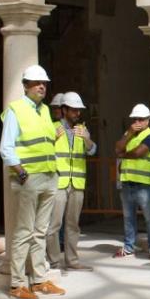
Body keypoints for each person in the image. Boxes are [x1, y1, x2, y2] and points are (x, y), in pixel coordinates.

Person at [0, 64, 66, 299]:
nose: (41, 87)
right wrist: (21, 172)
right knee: (24, 231)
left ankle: (38, 280)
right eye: (37, 83)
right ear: (25, 86)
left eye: (44, 83)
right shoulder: (16, 110)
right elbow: (6, 148)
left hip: (48, 176)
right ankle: (17, 283)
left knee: (40, 231)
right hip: (28, 178)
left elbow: (43, 142)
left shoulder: (45, 111)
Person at [47, 91, 95, 271]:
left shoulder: (82, 130)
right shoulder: (53, 128)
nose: (77, 114)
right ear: (64, 110)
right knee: (54, 225)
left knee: (73, 225)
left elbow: (92, 150)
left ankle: (72, 261)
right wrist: (53, 138)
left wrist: (87, 139)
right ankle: (53, 262)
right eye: (74, 110)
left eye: (79, 111)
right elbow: (43, 151)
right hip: (58, 183)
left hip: (77, 184)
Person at [114, 103, 150, 259]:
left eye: (141, 119)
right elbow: (117, 148)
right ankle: (129, 246)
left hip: (144, 185)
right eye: (135, 119)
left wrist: (123, 154)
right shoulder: (130, 134)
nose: (137, 122)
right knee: (128, 218)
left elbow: (137, 153)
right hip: (127, 182)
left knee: (149, 219)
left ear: (148, 120)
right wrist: (128, 135)